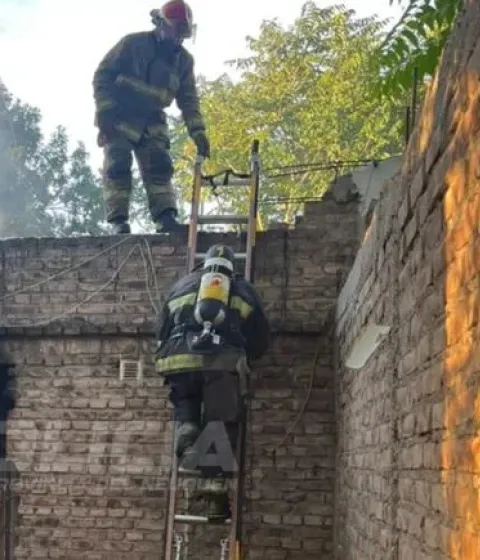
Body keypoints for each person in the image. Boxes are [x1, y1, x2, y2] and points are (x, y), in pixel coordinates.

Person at [154, 244, 270, 518]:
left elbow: (161, 330)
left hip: (177, 359)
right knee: (221, 422)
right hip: (222, 362)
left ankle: (188, 427)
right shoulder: (242, 288)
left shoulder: (180, 285)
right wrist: (248, 357)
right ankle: (213, 487)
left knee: (186, 399)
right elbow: (260, 336)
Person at [92, 0, 211, 235]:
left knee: (159, 166)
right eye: (176, 32)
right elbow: (102, 75)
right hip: (120, 114)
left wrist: (198, 132)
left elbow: (188, 99)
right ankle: (119, 222)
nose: (179, 39)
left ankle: (166, 218)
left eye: (183, 34)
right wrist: (105, 111)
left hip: (153, 119)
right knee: (118, 166)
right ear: (162, 25)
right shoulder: (133, 44)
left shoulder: (184, 61)